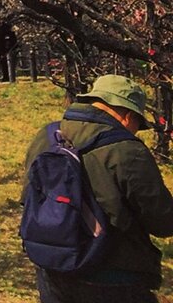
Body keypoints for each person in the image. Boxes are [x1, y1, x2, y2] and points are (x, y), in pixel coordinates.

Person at [24, 74, 173, 303]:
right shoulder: (127, 150)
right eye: (137, 125)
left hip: (53, 268)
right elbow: (163, 221)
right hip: (114, 276)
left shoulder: (47, 136)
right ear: (127, 116)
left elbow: (29, 199)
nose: (135, 131)